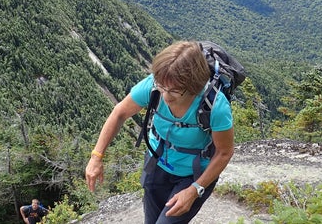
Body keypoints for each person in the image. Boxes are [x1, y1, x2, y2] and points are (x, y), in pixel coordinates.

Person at [85, 40, 235, 224]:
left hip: (193, 175)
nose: (165, 95)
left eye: (174, 91)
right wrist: (96, 156)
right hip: (157, 164)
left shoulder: (215, 106)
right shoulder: (156, 85)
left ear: (193, 86)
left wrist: (195, 189)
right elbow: (119, 113)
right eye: (162, 87)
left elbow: (224, 152)